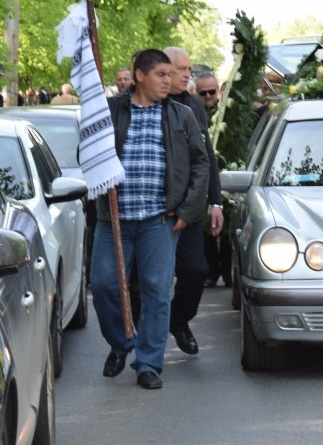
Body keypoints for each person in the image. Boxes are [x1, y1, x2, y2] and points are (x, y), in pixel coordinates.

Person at [92, 49, 210, 390]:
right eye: (161, 74)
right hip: (112, 219)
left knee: (158, 291)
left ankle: (148, 363)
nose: (169, 81)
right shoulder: (110, 112)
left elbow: (201, 163)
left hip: (159, 220)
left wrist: (189, 211)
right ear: (139, 75)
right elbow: (87, 151)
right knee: (103, 286)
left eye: (170, 75)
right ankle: (121, 343)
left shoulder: (181, 115)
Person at [161, 47, 222, 355]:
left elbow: (207, 155)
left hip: (192, 205)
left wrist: (215, 201)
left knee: (196, 270)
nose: (187, 74)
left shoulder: (194, 105)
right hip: (157, 207)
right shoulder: (151, 104)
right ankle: (147, 335)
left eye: (189, 69)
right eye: (180, 68)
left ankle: (179, 319)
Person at [194, 71, 230, 287]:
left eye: (212, 92)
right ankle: (211, 271)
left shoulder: (229, 113)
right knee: (205, 228)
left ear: (219, 91)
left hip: (226, 176)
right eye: (203, 93)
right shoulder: (192, 113)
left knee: (226, 229)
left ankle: (227, 271)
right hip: (202, 178)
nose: (208, 96)